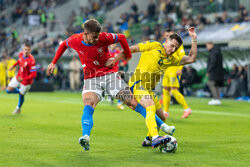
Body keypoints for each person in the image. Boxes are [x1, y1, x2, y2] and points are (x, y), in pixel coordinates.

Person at [47, 19, 174, 151]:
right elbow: (63, 45)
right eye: (94, 37)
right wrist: (53, 62)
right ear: (86, 33)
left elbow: (122, 37)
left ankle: (163, 127)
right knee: (89, 104)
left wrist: (128, 55)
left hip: (110, 75)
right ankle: (85, 137)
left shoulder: (104, 37)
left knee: (132, 102)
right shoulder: (75, 40)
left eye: (97, 36)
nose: (97, 39)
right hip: (91, 77)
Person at [112, 27, 197, 146]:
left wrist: (194, 39)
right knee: (150, 106)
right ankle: (156, 137)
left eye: (175, 48)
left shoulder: (171, 59)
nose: (173, 49)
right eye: (172, 45)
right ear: (166, 41)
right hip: (138, 83)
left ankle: (148, 139)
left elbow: (191, 58)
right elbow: (133, 48)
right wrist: (116, 58)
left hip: (149, 89)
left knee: (162, 117)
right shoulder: (154, 45)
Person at [162, 29, 192, 119]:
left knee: (174, 90)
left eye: (170, 34)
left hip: (174, 70)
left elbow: (182, 57)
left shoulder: (177, 45)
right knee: (165, 90)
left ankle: (187, 109)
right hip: (167, 70)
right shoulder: (164, 44)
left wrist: (180, 69)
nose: (168, 36)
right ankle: (165, 111)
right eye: (167, 34)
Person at [6, 43, 37, 114]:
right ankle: (20, 92)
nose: (26, 51)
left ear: (30, 51)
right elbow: (19, 61)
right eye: (25, 49)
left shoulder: (32, 61)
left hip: (26, 82)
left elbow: (34, 74)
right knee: (8, 90)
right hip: (19, 76)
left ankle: (18, 108)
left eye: (28, 50)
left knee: (21, 95)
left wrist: (24, 79)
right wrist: (13, 66)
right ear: (23, 49)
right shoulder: (20, 54)